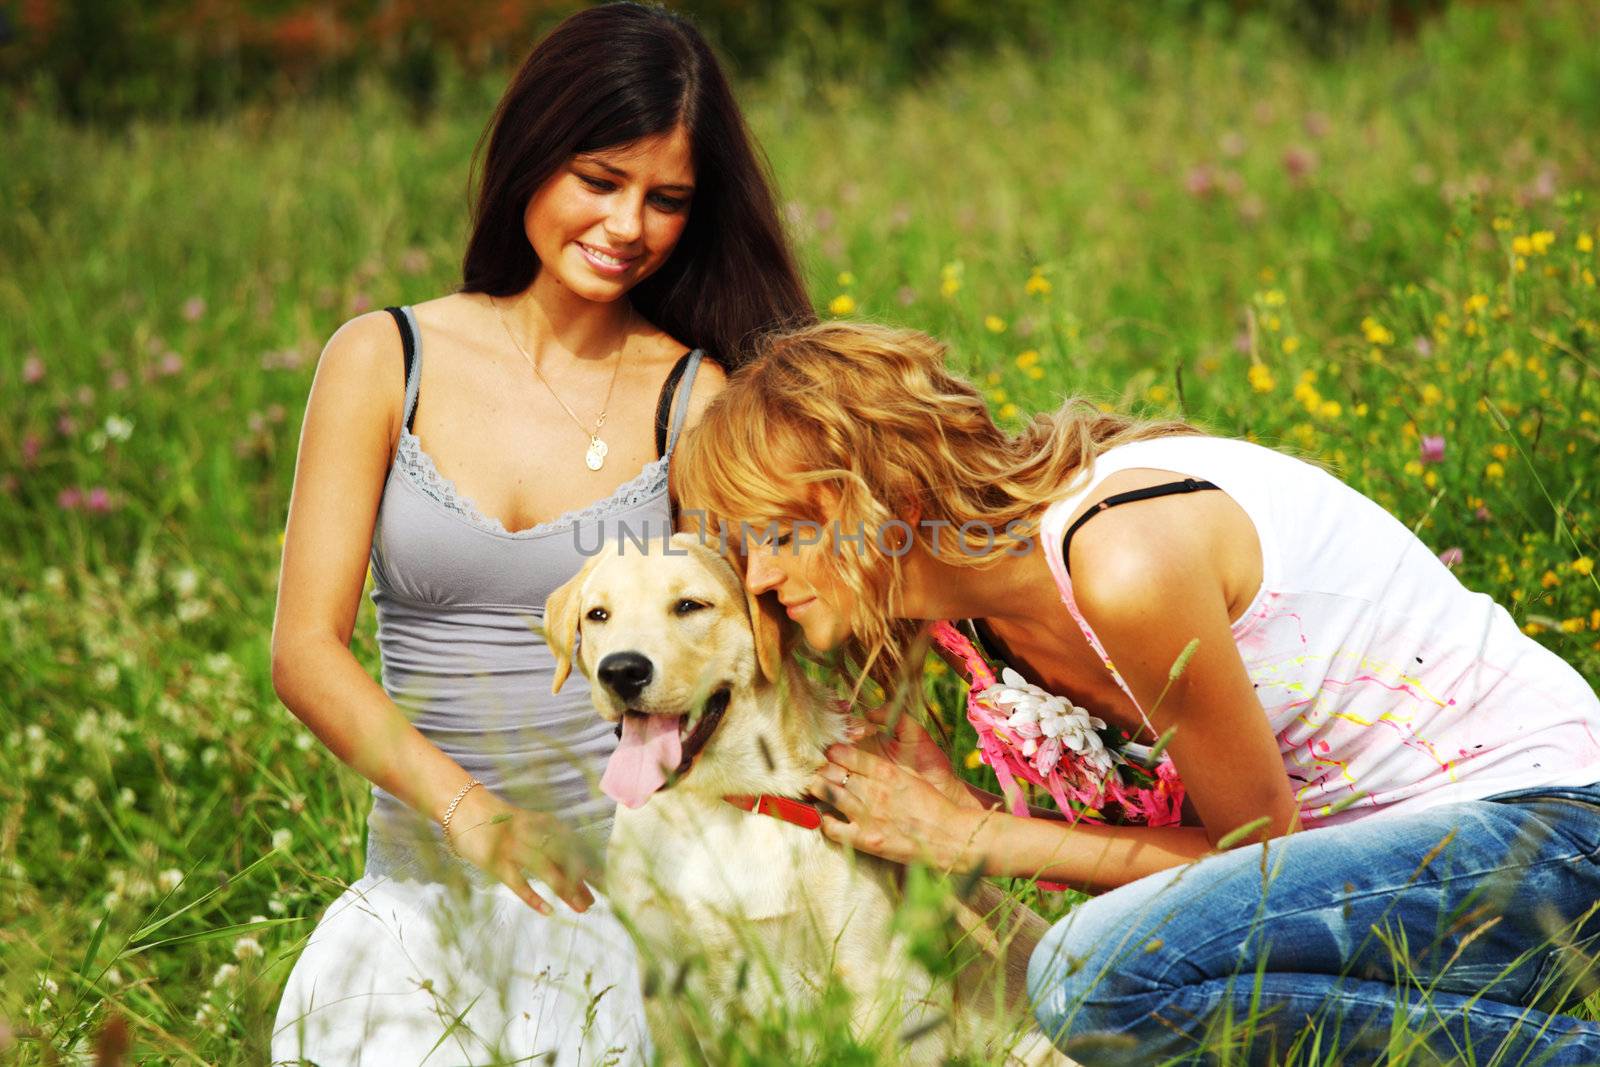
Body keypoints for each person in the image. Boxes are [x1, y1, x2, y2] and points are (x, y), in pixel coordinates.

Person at [669, 320, 1600, 1064]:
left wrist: (982, 837)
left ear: (886, 496)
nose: (758, 576)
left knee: (1087, 973)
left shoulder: (1121, 557)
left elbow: (1256, 854)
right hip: (1414, 871)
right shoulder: (966, 620)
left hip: (1549, 829)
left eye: (782, 533)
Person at [268, 4, 811, 1062]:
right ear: (532, 156)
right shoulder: (385, 357)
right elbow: (302, 650)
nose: (627, 226)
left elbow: (752, 656)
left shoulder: (695, 399)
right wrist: (468, 809)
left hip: (611, 913)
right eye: (599, 180)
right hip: (417, 904)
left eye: (666, 200)